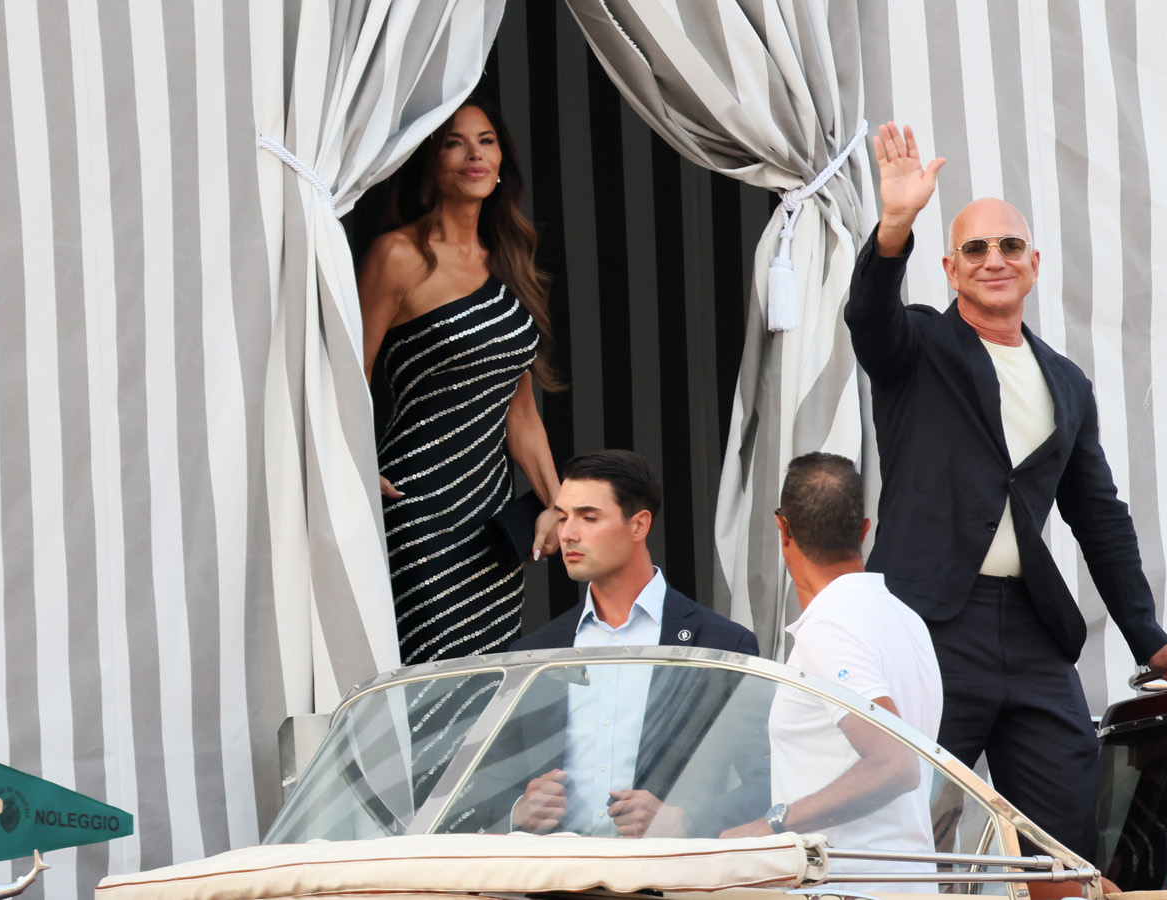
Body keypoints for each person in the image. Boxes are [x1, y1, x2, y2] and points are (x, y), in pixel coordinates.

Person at [844, 122, 1167, 859]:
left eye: (1010, 246)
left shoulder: (1066, 382)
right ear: (950, 269)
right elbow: (868, 318)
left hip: (1032, 629)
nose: (994, 259)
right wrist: (894, 226)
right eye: (975, 248)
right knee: (910, 833)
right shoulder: (919, 346)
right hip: (932, 620)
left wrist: (1148, 635)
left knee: (1065, 839)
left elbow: (1099, 518)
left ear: (1034, 264)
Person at [359, 97, 563, 664]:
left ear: (501, 163)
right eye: (454, 142)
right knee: (428, 675)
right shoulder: (397, 255)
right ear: (430, 163)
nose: (474, 154)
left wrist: (560, 505)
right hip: (416, 504)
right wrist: (354, 465)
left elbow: (521, 414)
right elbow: (346, 373)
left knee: (488, 676)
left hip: (490, 519)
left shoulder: (511, 260)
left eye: (486, 141)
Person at [509, 450, 761, 837]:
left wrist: (686, 819)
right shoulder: (534, 652)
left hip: (667, 870)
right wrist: (518, 810)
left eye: (588, 517)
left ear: (639, 525)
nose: (567, 533)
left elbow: (769, 783)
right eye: (562, 517)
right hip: (556, 871)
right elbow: (490, 784)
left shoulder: (723, 644)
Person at [721, 452, 940, 885]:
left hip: (850, 882)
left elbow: (896, 764)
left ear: (782, 528)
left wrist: (771, 825)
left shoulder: (829, 628)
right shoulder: (907, 620)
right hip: (905, 880)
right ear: (864, 530)